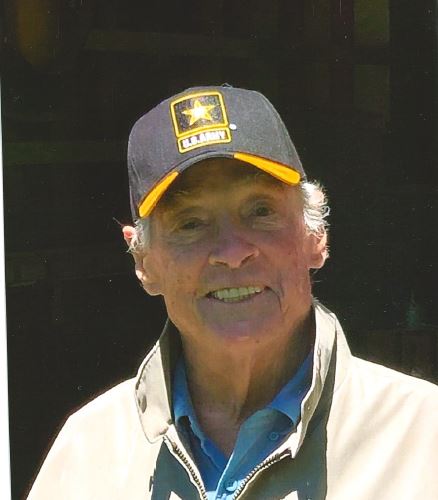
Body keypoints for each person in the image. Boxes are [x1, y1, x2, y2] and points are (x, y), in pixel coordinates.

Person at [28, 86, 438, 500]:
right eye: (191, 223)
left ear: (315, 236)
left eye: (261, 211)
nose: (232, 252)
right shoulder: (87, 452)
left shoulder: (422, 436)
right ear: (144, 262)